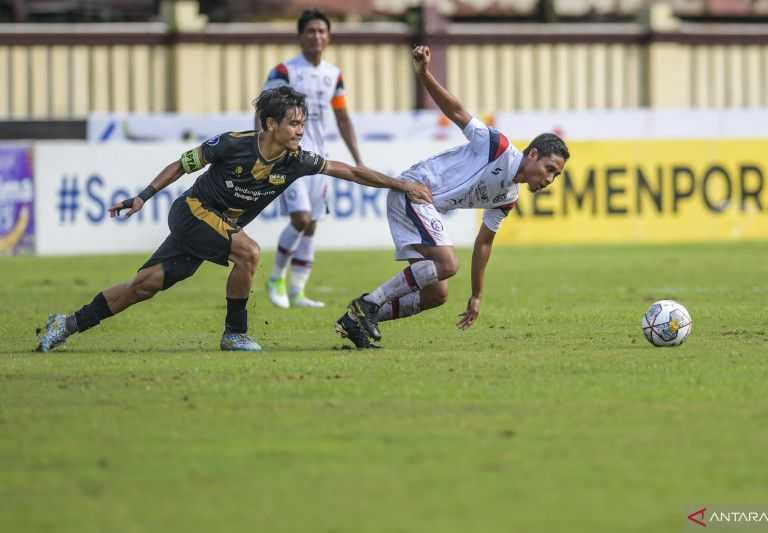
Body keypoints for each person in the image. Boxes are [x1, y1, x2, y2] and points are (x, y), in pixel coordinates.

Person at [35, 86, 431, 353]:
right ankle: (235, 333)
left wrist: (401, 184)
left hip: (215, 227)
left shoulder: (298, 161)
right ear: (270, 124)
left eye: (303, 122)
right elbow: (181, 164)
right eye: (293, 123)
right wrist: (142, 197)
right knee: (250, 252)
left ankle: (67, 323)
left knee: (144, 286)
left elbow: (352, 172)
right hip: (191, 213)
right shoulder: (232, 144)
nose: (301, 130)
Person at [335, 45, 570, 349]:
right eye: (549, 169)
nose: (549, 179)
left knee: (437, 294)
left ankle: (357, 321)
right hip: (414, 189)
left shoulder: (508, 196)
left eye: (556, 175)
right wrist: (424, 74)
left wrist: (476, 295)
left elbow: (484, 244)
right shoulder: (496, 146)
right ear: (533, 154)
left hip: (423, 205)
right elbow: (456, 112)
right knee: (447, 263)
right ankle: (368, 304)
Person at [262, 9, 362, 309]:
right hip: (287, 158)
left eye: (321, 31)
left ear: (328, 37)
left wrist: (358, 159)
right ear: (300, 36)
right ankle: (276, 278)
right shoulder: (285, 72)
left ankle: (297, 291)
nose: (317, 36)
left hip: (319, 159)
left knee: (312, 223)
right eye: (311, 31)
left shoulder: (334, 75)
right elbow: (264, 112)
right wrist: (266, 153)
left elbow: (343, 117)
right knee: (301, 219)